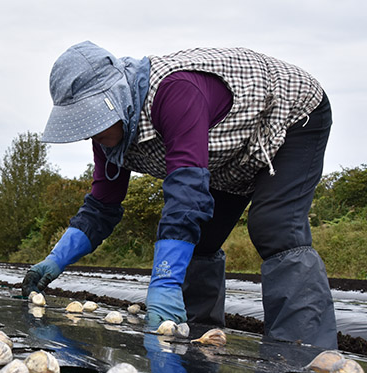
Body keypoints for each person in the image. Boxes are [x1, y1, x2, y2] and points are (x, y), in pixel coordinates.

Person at [22, 41, 336, 349]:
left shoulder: (175, 92)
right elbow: (103, 204)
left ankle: (304, 353)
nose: (92, 131)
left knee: (274, 226)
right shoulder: (108, 136)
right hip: (226, 152)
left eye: (93, 117)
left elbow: (185, 193)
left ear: (117, 98)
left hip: (290, 116)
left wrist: (165, 282)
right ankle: (196, 339)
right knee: (200, 240)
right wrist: (54, 261)